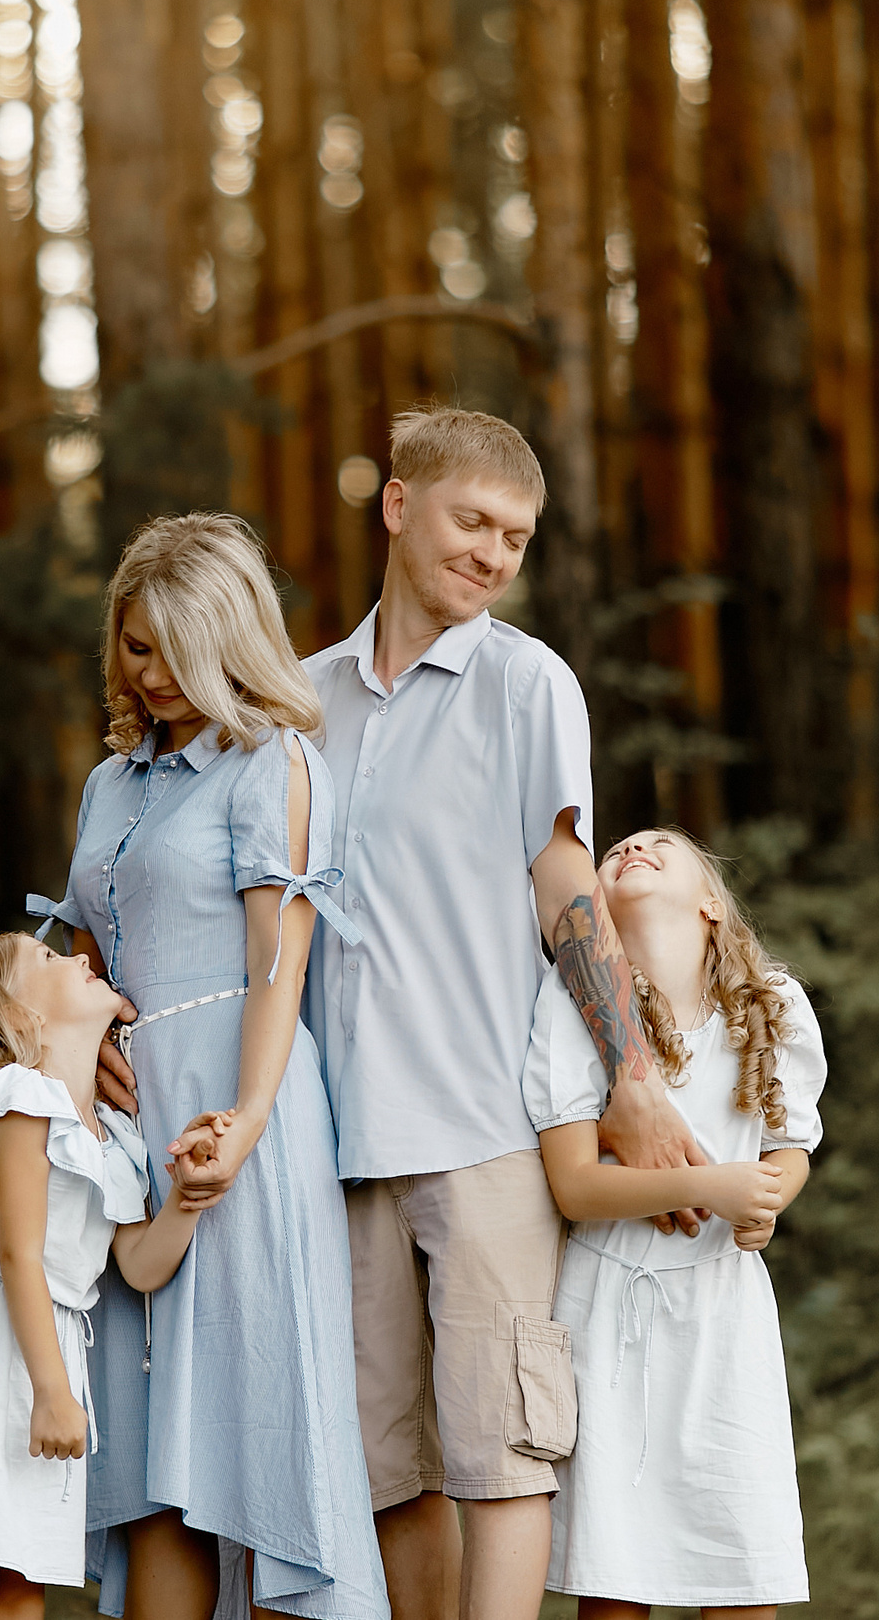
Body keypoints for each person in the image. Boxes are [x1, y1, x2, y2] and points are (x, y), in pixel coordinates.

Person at [259, 408, 705, 1620]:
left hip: (486, 1134)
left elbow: (566, 886)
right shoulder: (301, 701)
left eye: (515, 537)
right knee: (384, 1470)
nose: (493, 554)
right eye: (473, 522)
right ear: (399, 506)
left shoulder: (526, 683)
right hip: (334, 1148)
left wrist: (631, 1077)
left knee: (503, 1458)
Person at [0, 514, 389, 1620]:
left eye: (171, 652)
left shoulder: (272, 763)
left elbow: (278, 962)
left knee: (252, 1449)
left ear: (228, 642)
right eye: (134, 646)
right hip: (123, 1143)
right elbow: (94, 962)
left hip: (235, 1118)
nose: (148, 676)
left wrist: (248, 1118)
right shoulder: (109, 784)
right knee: (153, 1466)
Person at [523, 829, 826, 1617]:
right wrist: (709, 1184)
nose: (634, 847)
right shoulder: (575, 1003)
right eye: (617, 847)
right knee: (618, 1583)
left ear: (711, 902)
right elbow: (574, 1186)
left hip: (725, 1314)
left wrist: (766, 1199)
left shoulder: (771, 1002)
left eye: (661, 843)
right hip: (608, 1318)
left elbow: (791, 1146)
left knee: (741, 1569)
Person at [0, 931, 213, 1620]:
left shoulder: (111, 1137)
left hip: (42, 1345)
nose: (81, 956)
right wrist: (53, 1392)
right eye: (52, 959)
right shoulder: (22, 1098)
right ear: (21, 1016)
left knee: (22, 1581)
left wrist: (185, 1198)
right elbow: (18, 1252)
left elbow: (139, 1264)